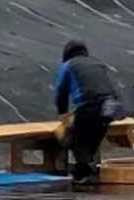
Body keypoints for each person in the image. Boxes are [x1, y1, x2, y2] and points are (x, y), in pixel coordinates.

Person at [53, 40, 124, 189]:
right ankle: (88, 170)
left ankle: (83, 175)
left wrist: (63, 115)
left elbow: (61, 93)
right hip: (112, 106)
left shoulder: (68, 66)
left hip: (91, 106)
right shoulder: (97, 63)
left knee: (78, 140)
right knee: (93, 138)